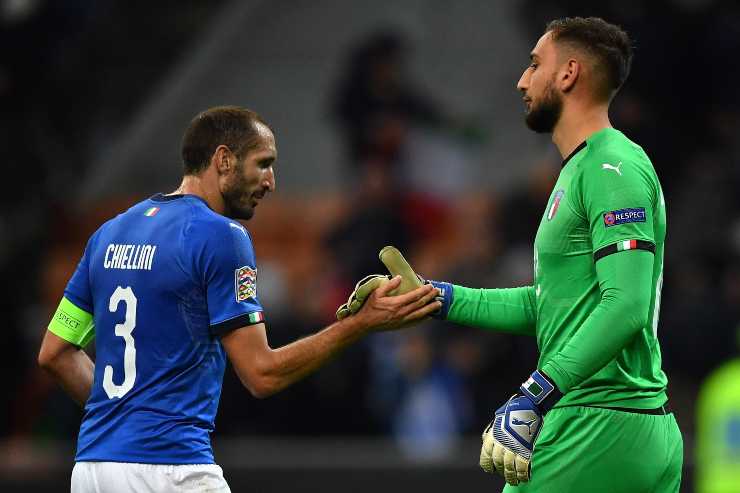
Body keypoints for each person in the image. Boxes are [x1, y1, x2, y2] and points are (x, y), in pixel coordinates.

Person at [37, 106, 441, 493]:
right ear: (224, 160)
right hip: (171, 469)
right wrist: (361, 323)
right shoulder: (220, 236)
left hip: (92, 469)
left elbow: (55, 352)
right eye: (263, 163)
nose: (271, 182)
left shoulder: (109, 233)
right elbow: (262, 374)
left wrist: (122, 420)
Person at [424, 17, 683, 492]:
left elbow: (625, 303)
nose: (522, 80)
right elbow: (554, 306)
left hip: (597, 423)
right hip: (621, 424)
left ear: (567, 74)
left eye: (534, 64)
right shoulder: (582, 168)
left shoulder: (611, 167)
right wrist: (439, 298)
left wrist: (536, 392)